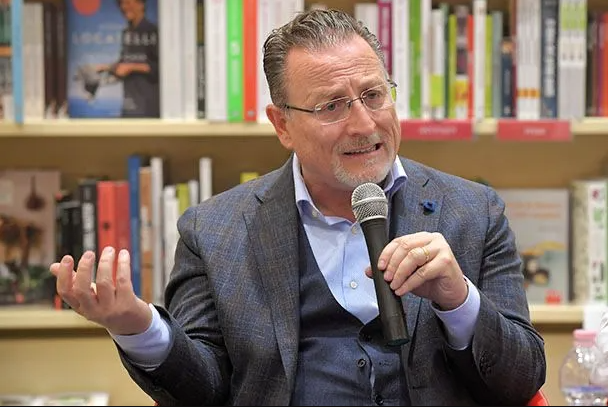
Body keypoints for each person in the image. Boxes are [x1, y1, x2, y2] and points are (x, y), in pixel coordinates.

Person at [50, 8, 546, 406]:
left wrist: (458, 301)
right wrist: (138, 327)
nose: (364, 124)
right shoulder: (213, 231)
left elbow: (522, 382)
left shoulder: (474, 211)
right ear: (282, 125)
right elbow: (202, 390)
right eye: (332, 106)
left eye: (374, 95)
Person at [94, 0, 160, 117]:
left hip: (148, 105)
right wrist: (106, 68)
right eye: (121, 4)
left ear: (141, 4)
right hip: (129, 102)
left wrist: (132, 67)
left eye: (128, 3)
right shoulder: (127, 32)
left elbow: (161, 69)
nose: (124, 7)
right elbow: (124, 63)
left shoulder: (153, 31)